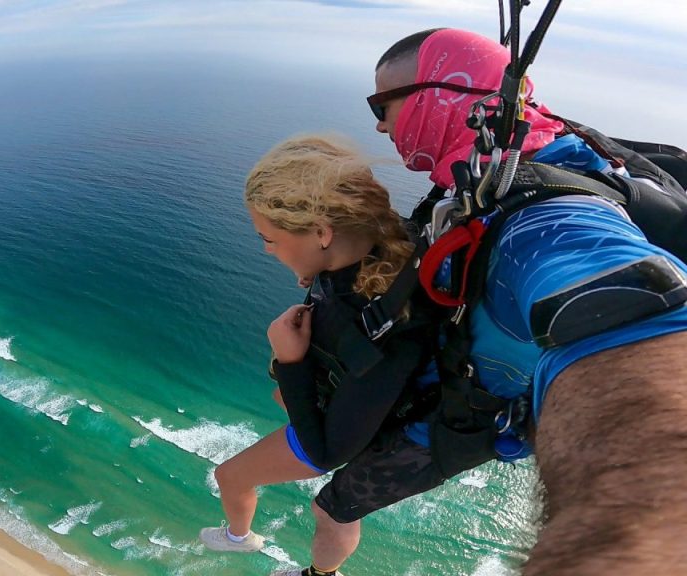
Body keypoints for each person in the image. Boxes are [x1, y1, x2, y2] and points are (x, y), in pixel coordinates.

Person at [279, 27, 687, 576]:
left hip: (464, 418)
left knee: (332, 508)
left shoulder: (542, 220)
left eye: (383, 105)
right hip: (459, 371)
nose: (379, 124)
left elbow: (637, 320)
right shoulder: (512, 155)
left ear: (441, 94)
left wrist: (635, 540)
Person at [199, 135, 446, 576]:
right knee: (283, 412)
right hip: (359, 400)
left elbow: (327, 451)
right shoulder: (380, 246)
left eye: (269, 239)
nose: (266, 249)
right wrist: (316, 276)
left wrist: (290, 363)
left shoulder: (380, 328)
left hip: (363, 430)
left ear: (321, 232)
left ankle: (240, 538)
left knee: (231, 477)